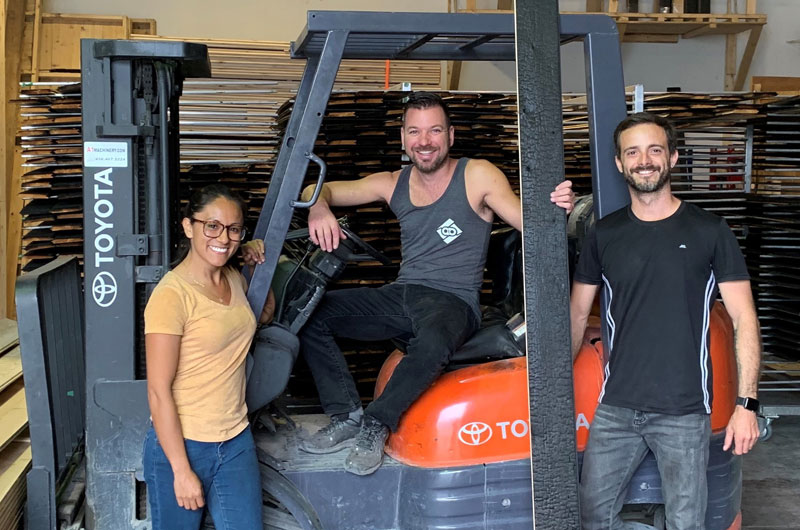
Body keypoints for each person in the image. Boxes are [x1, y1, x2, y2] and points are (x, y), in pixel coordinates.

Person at [298, 91, 575, 476]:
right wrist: (319, 208)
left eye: (434, 131)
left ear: (450, 135)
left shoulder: (477, 174)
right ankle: (346, 416)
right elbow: (319, 188)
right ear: (403, 139)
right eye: (415, 131)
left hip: (454, 301)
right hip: (403, 293)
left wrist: (558, 207)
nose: (424, 141)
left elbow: (532, 224)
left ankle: (376, 425)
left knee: (431, 344)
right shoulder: (391, 183)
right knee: (311, 313)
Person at [570, 113, 761, 530]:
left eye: (655, 150)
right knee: (592, 516)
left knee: (686, 523)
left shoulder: (710, 231)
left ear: (672, 158)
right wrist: (553, 389)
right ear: (619, 164)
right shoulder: (604, 234)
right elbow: (577, 314)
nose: (644, 160)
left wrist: (747, 404)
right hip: (616, 408)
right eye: (632, 152)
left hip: (684, 411)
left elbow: (745, 317)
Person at [142, 184, 274, 530]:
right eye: (212, 226)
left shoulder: (232, 278)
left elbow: (266, 315)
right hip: (184, 445)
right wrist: (181, 470)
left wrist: (255, 265)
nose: (224, 237)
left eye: (234, 229)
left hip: (235, 440)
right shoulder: (172, 295)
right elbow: (158, 391)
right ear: (189, 227)